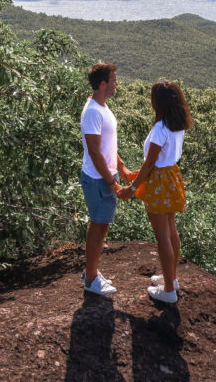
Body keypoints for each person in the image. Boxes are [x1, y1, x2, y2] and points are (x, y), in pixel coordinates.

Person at [122, 80, 193, 304]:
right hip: (171, 176)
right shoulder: (178, 125)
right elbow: (160, 160)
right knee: (171, 230)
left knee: (162, 235)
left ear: (158, 102)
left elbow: (151, 162)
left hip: (159, 181)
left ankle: (169, 290)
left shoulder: (160, 128)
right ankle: (171, 278)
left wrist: (132, 188)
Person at [79, 62, 133, 296]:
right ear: (102, 84)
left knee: (98, 226)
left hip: (105, 175)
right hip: (98, 178)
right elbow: (94, 151)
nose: (116, 84)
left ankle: (89, 272)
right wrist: (112, 183)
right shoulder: (93, 111)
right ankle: (91, 279)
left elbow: (107, 145)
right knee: (99, 228)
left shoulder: (102, 108)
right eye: (113, 80)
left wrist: (121, 168)